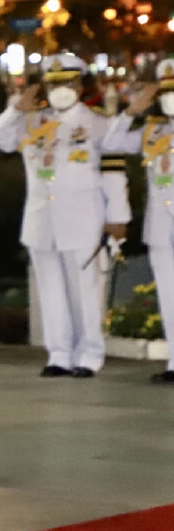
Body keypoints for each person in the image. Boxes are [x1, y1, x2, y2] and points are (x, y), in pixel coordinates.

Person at [0, 54, 131, 377]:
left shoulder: (98, 122)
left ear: (80, 86)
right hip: (42, 219)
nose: (60, 90)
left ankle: (89, 355)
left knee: (86, 290)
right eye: (54, 84)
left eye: (67, 83)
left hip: (83, 217)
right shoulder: (32, 120)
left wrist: (118, 217)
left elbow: (113, 174)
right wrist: (16, 109)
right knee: (50, 291)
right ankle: (59, 354)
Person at [102, 60, 174, 383]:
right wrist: (132, 111)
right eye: (166, 91)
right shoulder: (152, 130)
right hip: (161, 225)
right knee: (169, 294)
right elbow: (109, 144)